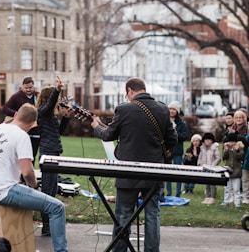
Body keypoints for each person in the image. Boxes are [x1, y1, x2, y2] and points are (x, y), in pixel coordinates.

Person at [91, 77, 177, 252]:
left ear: (130, 91)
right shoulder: (162, 109)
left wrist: (96, 127)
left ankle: (120, 250)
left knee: (123, 214)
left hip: (127, 172)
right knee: (153, 214)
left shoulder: (124, 109)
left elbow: (108, 135)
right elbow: (172, 139)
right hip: (154, 171)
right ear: (144, 89)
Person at [0, 103, 67, 252]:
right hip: (4, 190)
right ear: (33, 124)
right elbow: (27, 172)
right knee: (57, 208)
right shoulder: (21, 136)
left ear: (15, 115)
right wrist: (35, 187)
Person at [36, 75, 72, 236]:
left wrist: (66, 117)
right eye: (55, 99)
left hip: (54, 153)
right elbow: (51, 103)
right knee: (47, 191)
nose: (58, 102)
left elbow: (58, 133)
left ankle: (49, 224)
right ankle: (46, 226)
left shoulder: (49, 116)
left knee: (52, 189)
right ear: (48, 98)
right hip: (48, 154)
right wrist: (57, 90)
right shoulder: (42, 112)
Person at [2, 76, 40, 161]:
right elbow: (5, 108)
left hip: (35, 131)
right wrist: (17, 114)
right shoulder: (16, 96)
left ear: (33, 86)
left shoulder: (38, 96)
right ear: (22, 87)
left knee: (32, 157)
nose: (28, 90)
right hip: (20, 131)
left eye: (30, 87)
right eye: (26, 88)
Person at [166, 101, 187, 197]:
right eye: (170, 109)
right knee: (167, 173)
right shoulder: (165, 121)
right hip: (168, 151)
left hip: (178, 151)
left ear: (177, 111)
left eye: (174, 109)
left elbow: (184, 136)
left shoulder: (182, 123)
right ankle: (169, 192)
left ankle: (178, 192)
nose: (171, 111)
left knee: (178, 172)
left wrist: (174, 132)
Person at [221, 132, 244, 207]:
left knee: (236, 189)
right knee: (227, 188)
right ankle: (226, 200)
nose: (232, 143)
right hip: (228, 172)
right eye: (230, 141)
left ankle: (237, 202)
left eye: (233, 141)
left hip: (236, 172)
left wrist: (235, 150)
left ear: (236, 142)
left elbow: (240, 156)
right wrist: (226, 150)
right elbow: (224, 157)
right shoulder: (227, 148)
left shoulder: (240, 148)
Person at [197, 132, 221, 205]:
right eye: (206, 139)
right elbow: (200, 157)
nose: (207, 141)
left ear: (212, 140)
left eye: (209, 139)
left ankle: (212, 198)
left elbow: (218, 158)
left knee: (212, 183)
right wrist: (199, 165)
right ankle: (207, 197)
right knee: (206, 183)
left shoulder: (215, 148)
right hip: (205, 168)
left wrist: (213, 165)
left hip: (213, 168)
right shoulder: (202, 148)